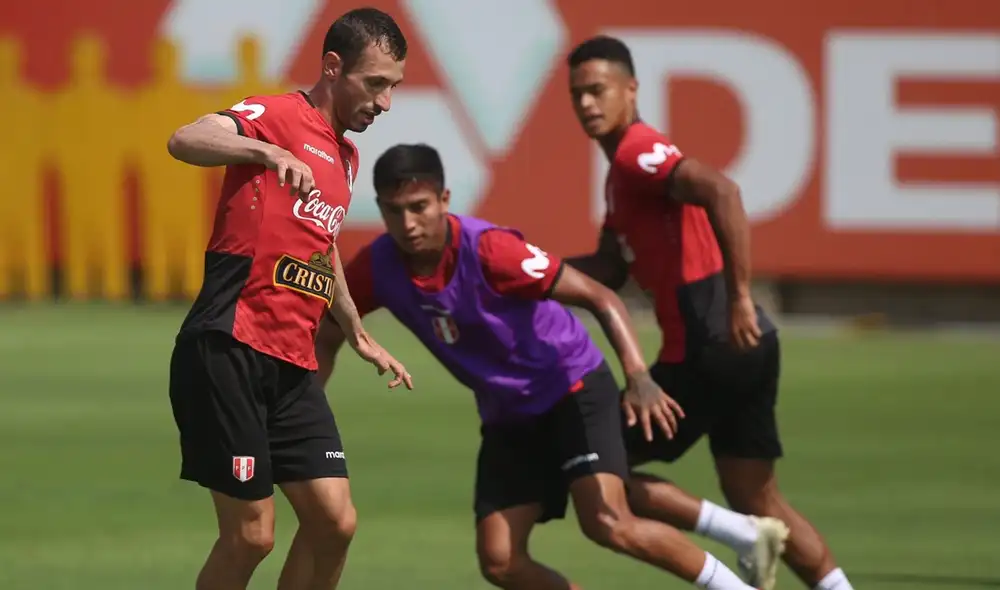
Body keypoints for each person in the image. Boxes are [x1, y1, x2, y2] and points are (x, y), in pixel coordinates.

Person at [315, 143, 785, 590]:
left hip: (572, 387)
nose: (408, 223)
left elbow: (600, 297)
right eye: (393, 211)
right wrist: (310, 401)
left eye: (419, 206)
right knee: (500, 560)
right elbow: (332, 324)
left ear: (444, 199)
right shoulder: (377, 265)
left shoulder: (491, 250)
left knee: (608, 521)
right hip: (509, 415)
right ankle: (741, 533)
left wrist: (638, 376)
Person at [563, 35, 855, 590]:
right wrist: (529, 270)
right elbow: (607, 264)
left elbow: (722, 190)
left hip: (708, 346)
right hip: (749, 345)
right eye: (577, 94)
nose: (586, 104)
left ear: (631, 90)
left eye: (598, 90)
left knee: (594, 463)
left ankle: (737, 545)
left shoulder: (636, 150)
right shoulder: (619, 179)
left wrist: (742, 296)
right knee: (759, 497)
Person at [164, 8, 412, 590]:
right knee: (251, 536)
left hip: (293, 363)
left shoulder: (346, 158)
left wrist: (355, 329)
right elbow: (184, 139)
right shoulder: (276, 116)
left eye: (393, 86)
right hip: (230, 347)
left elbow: (318, 248)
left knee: (334, 521)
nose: (385, 102)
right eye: (376, 83)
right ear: (333, 66)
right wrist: (266, 152)